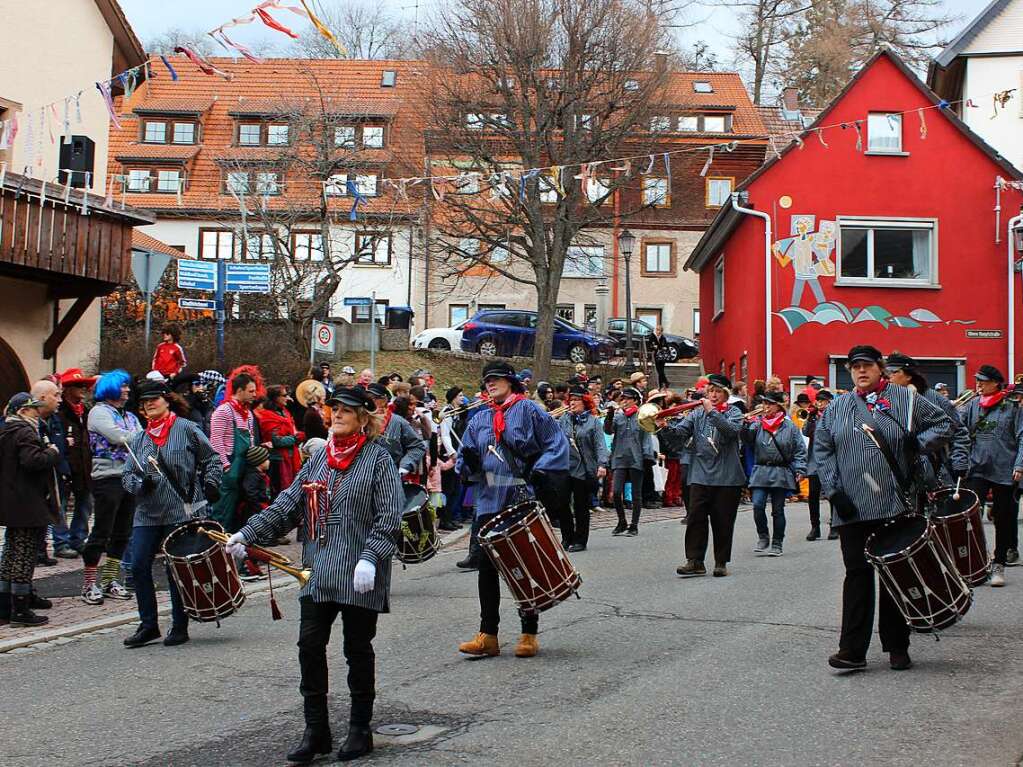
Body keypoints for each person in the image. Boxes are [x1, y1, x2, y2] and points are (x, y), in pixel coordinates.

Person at [225, 387, 403, 763]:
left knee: (357, 649)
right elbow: (288, 504)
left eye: (346, 410)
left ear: (363, 418)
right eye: (334, 409)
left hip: (359, 571)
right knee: (309, 646)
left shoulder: (378, 459)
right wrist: (248, 533)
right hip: (319, 569)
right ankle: (316, 729)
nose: (336, 414)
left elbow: (389, 515)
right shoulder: (320, 458)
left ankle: (359, 729)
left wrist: (371, 558)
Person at [815, 345, 953, 671]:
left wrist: (918, 443)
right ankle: (852, 650)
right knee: (857, 575)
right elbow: (823, 449)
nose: (861, 372)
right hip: (850, 506)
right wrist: (834, 492)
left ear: (880, 368)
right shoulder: (836, 408)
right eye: (854, 367)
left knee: (894, 576)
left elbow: (945, 424)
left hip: (894, 501)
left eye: (867, 366)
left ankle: (897, 646)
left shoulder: (905, 400)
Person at [456, 361, 569, 659]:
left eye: (495, 379)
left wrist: (542, 471)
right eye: (486, 380)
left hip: (521, 495)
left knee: (526, 564)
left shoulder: (529, 410)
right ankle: (488, 635)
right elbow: (462, 465)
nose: (489, 384)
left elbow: (556, 443)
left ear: (510, 381)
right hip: (488, 499)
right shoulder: (478, 419)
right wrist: (470, 464)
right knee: (486, 568)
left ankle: (528, 633)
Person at [121, 381, 222, 648]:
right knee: (139, 565)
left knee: (175, 568)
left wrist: (212, 483)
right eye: (145, 402)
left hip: (181, 510)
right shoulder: (139, 439)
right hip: (148, 513)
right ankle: (148, 625)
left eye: (154, 399)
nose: (149, 404)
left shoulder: (187, 429)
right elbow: (127, 475)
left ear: (167, 400)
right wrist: (138, 485)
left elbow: (211, 459)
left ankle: (179, 625)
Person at [665, 374, 746, 578]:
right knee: (696, 518)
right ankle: (694, 561)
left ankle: (720, 562)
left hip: (727, 477)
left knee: (723, 520)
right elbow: (679, 435)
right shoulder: (696, 414)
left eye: (718, 391)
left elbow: (730, 431)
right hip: (700, 473)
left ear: (725, 394)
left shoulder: (734, 412)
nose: (713, 395)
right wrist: (663, 426)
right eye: (710, 391)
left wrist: (712, 413)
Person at [0, 393, 62, 627]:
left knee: (10, 552)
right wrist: (52, 452)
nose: (38, 412)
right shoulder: (24, 432)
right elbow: (32, 461)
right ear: (24, 411)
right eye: (34, 409)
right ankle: (21, 608)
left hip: (12, 502)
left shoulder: (5, 431)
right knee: (24, 554)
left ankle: (4, 606)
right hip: (28, 503)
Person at [81, 370, 142, 605]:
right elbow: (118, 437)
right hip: (107, 477)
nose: (127, 390)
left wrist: (135, 437)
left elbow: (139, 437)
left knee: (122, 531)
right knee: (102, 530)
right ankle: (89, 582)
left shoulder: (129, 416)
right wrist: (135, 437)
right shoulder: (98, 413)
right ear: (112, 388)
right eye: (123, 386)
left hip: (129, 476)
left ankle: (109, 579)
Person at [960, 364, 1023, 588]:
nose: (979, 384)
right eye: (977, 380)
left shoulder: (1013, 407)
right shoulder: (971, 405)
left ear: (996, 383)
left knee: (1003, 517)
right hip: (976, 467)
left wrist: (1020, 464)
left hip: (1005, 469)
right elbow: (957, 429)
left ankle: (999, 563)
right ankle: (976, 561)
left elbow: (1022, 436)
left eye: (984, 381)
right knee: (968, 513)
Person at [886, 352, 970, 487]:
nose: (888, 376)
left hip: (933, 470)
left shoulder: (935, 399)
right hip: (894, 472)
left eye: (893, 372)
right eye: (886, 372)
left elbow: (958, 431)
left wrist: (959, 462)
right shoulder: (884, 400)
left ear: (908, 376)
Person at [743, 391, 807, 557]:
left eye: (769, 404)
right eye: (764, 403)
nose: (765, 407)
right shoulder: (757, 424)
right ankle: (763, 536)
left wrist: (800, 469)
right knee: (757, 505)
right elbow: (747, 441)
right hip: (761, 470)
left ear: (779, 406)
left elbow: (800, 449)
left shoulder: (790, 426)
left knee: (778, 510)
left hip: (781, 471)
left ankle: (777, 543)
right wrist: (744, 425)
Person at [556, 385, 608, 551]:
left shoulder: (593, 422)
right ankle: (567, 536)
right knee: (562, 503)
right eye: (571, 400)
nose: (573, 403)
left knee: (581, 506)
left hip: (584, 468)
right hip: (565, 467)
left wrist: (602, 464)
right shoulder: (564, 419)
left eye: (577, 400)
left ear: (585, 402)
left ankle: (580, 540)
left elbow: (600, 445)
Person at [208, 369, 260, 530]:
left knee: (240, 513)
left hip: (243, 469)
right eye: (251, 391)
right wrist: (226, 467)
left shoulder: (249, 414)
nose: (255, 394)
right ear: (239, 391)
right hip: (228, 470)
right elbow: (216, 442)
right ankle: (217, 548)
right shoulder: (223, 411)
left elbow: (250, 440)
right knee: (222, 513)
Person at [54, 368, 97, 558]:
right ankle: (61, 542)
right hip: (65, 466)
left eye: (84, 386)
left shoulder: (86, 412)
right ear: (68, 389)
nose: (82, 389)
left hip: (84, 466)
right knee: (60, 505)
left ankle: (78, 539)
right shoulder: (59, 413)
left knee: (85, 503)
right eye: (78, 386)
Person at [603, 386, 652, 536]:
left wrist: (647, 457)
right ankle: (622, 521)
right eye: (622, 399)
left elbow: (646, 439)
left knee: (636, 494)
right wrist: (609, 416)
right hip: (619, 458)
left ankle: (634, 525)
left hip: (636, 459)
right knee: (617, 492)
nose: (624, 401)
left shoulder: (642, 417)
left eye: (627, 399)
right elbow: (608, 430)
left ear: (635, 401)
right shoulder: (618, 416)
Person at [30, 379, 68, 564]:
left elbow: (59, 449)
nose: (60, 399)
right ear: (43, 398)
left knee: (46, 515)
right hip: (31, 482)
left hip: (52, 476)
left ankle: (40, 551)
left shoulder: (54, 420)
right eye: (56, 395)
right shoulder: (27, 424)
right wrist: (52, 451)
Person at [366, 383, 427, 480]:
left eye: (375, 398)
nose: (370, 401)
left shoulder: (398, 422)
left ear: (384, 400)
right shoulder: (360, 420)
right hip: (363, 480)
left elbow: (418, 446)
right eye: (368, 398)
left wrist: (404, 467)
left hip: (390, 479)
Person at [255, 386, 304, 497]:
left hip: (291, 457)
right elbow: (275, 440)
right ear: (276, 398)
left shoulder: (285, 412)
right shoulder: (268, 415)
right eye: (284, 395)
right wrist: (295, 439)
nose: (287, 398)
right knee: (280, 490)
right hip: (278, 459)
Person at [802, 389, 836, 541]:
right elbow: (805, 432)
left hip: (831, 460)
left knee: (832, 495)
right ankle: (814, 527)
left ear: (829, 401)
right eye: (818, 400)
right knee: (813, 495)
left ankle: (834, 526)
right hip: (814, 461)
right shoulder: (814, 417)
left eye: (823, 401)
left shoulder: (834, 415)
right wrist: (810, 418)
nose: (820, 403)